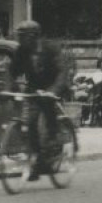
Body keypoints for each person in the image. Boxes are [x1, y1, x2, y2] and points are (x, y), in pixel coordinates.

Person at [10, 21, 61, 180]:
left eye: (23, 36)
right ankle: (38, 161)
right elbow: (13, 71)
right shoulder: (22, 51)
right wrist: (7, 89)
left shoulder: (49, 49)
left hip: (51, 86)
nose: (20, 40)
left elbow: (62, 71)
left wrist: (53, 90)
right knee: (30, 123)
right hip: (34, 88)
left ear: (33, 37)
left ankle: (53, 146)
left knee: (49, 115)